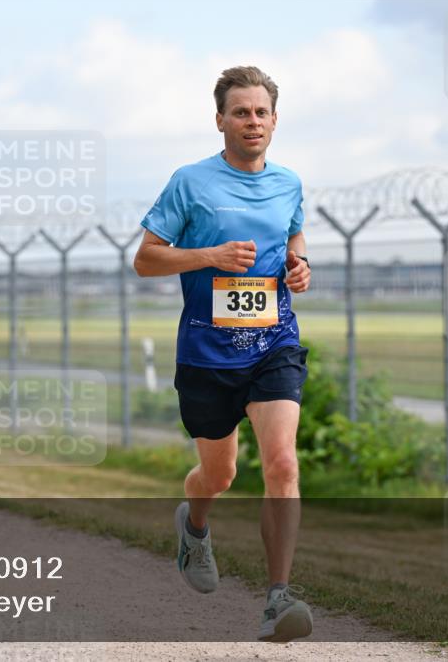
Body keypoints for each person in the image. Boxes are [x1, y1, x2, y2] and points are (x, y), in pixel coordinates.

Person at [133, 66, 313, 642]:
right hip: (207, 352)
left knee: (282, 464)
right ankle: (195, 526)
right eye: (240, 112)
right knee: (219, 474)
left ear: (274, 120)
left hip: (273, 342)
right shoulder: (190, 182)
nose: (252, 121)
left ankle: (278, 598)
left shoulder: (289, 182)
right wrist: (209, 255)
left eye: (261, 112)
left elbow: (293, 235)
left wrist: (299, 264)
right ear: (220, 121)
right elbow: (145, 259)